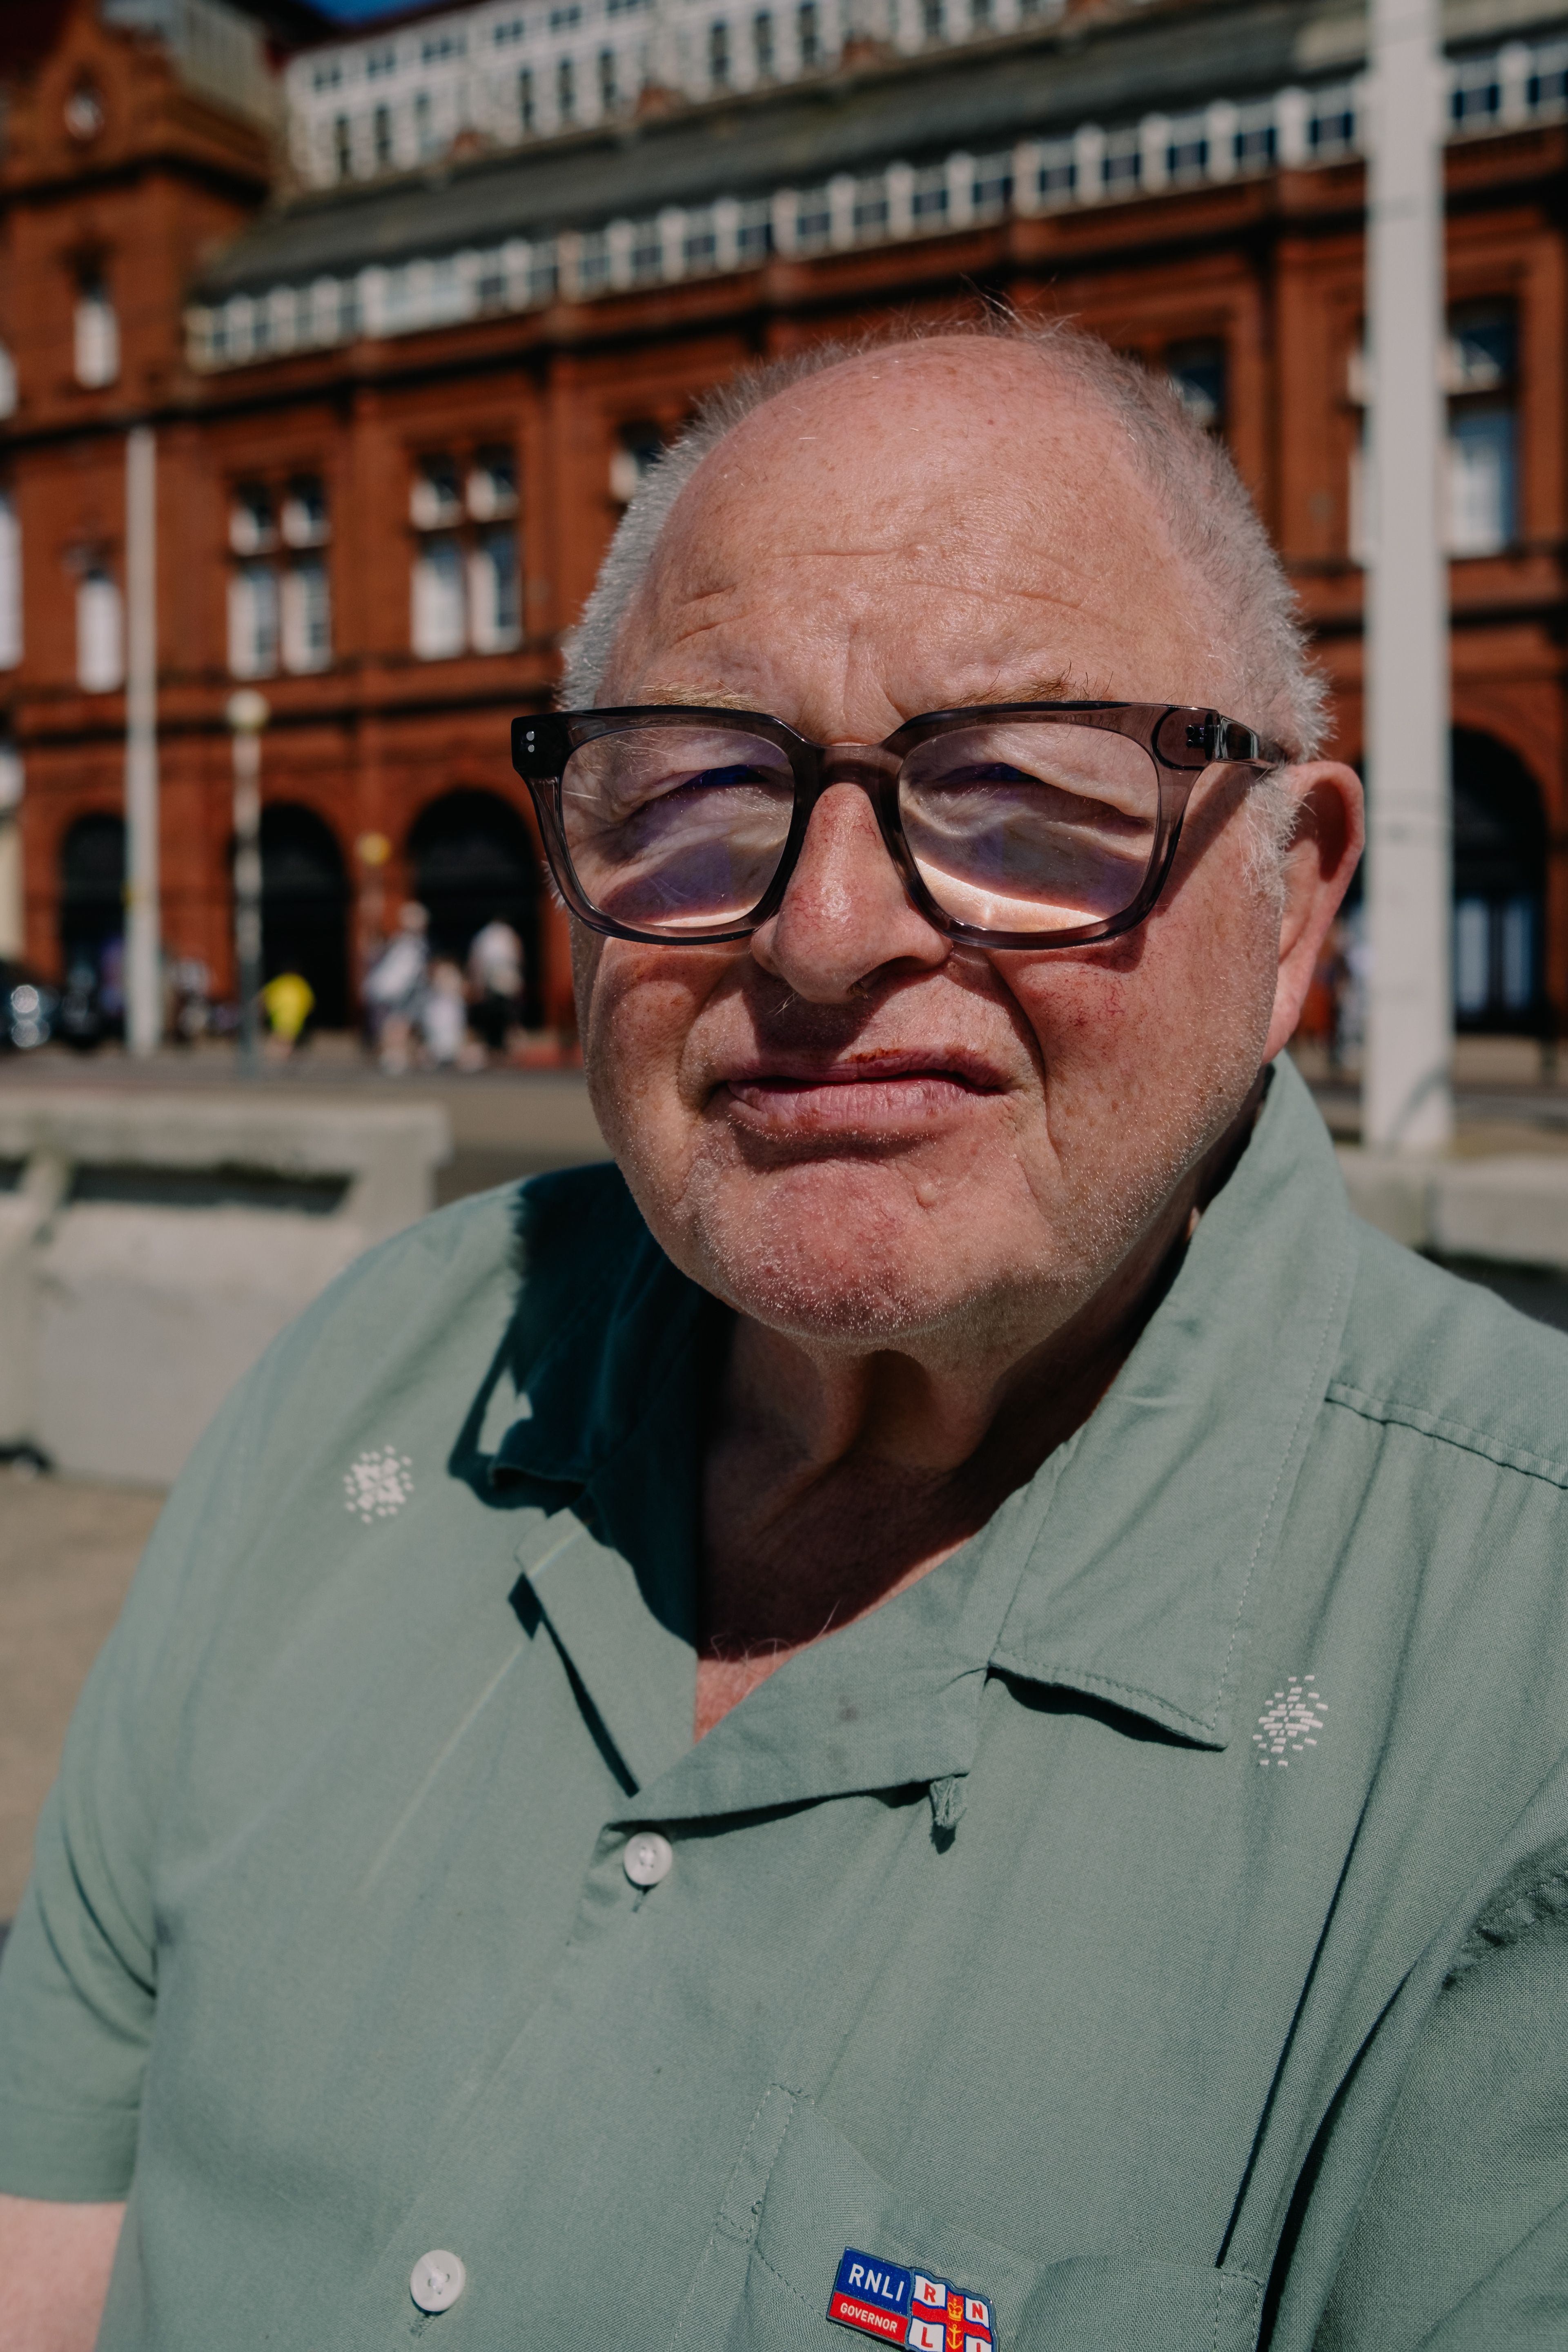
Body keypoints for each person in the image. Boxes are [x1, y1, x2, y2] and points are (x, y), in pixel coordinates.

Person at [2, 326, 1566, 2352]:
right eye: (702, 790)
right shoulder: (386, 1377)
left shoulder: (1514, 1676)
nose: (823, 935)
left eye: (1016, 794)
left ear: (1291, 909)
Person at [363, 900, 430, 1074]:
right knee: (398, 1024)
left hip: (403, 992)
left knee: (398, 1024)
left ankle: (397, 1055)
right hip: (402, 993)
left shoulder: (408, 943)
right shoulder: (407, 944)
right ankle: (394, 1055)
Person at [467, 915, 526, 1056]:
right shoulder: (509, 933)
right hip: (507, 973)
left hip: (491, 975)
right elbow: (519, 955)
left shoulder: (483, 935)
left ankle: (495, 1042)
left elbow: (476, 960)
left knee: (493, 1010)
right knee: (509, 1010)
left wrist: (477, 982)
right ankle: (511, 1041)